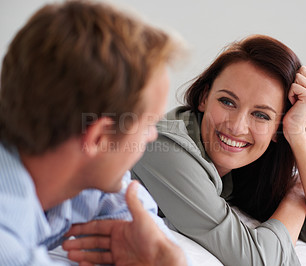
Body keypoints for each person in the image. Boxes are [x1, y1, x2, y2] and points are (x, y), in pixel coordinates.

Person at [128, 35, 306, 265]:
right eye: (227, 102)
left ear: (278, 126)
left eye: (261, 115)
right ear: (205, 98)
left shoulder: (242, 169)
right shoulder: (164, 148)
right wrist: (296, 196)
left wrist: (297, 134)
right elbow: (257, 260)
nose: (236, 126)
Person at [0, 0, 187, 265]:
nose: (152, 136)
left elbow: (137, 219)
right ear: (99, 138)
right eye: (148, 125)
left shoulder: (81, 173)